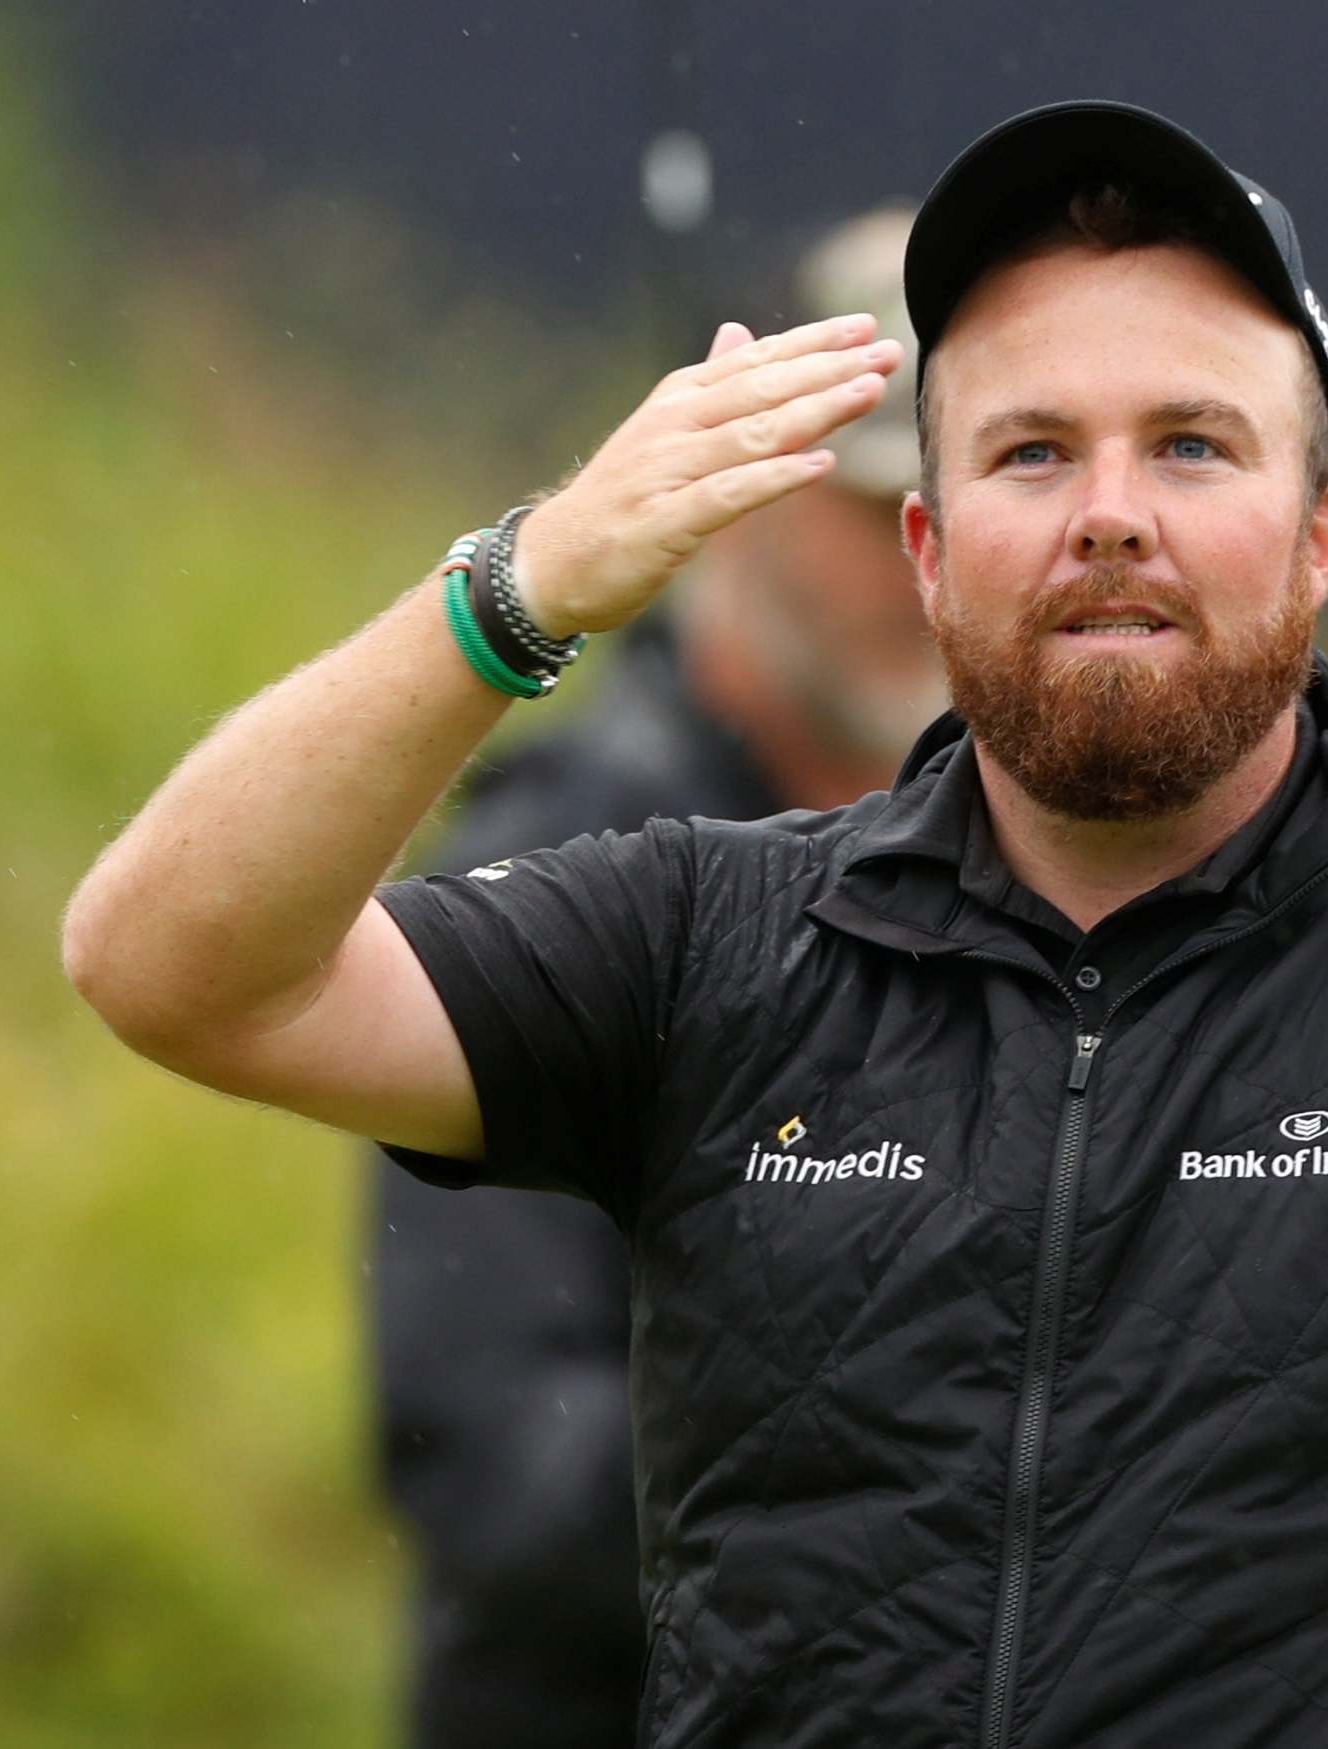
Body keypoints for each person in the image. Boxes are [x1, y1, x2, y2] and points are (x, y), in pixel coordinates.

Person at [65, 100, 1328, 1748]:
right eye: (1029, 449)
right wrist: (519, 593)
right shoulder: (708, 936)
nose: (1109, 509)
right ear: (930, 536)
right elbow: (168, 964)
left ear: (1325, 528)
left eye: (1193, 441)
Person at [369, 211, 941, 1749]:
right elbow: (496, 1460)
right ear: (742, 509)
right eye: (872, 495)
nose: (919, 554)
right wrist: (935, 1465)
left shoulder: (1015, 867)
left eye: (967, 493)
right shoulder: (574, 846)